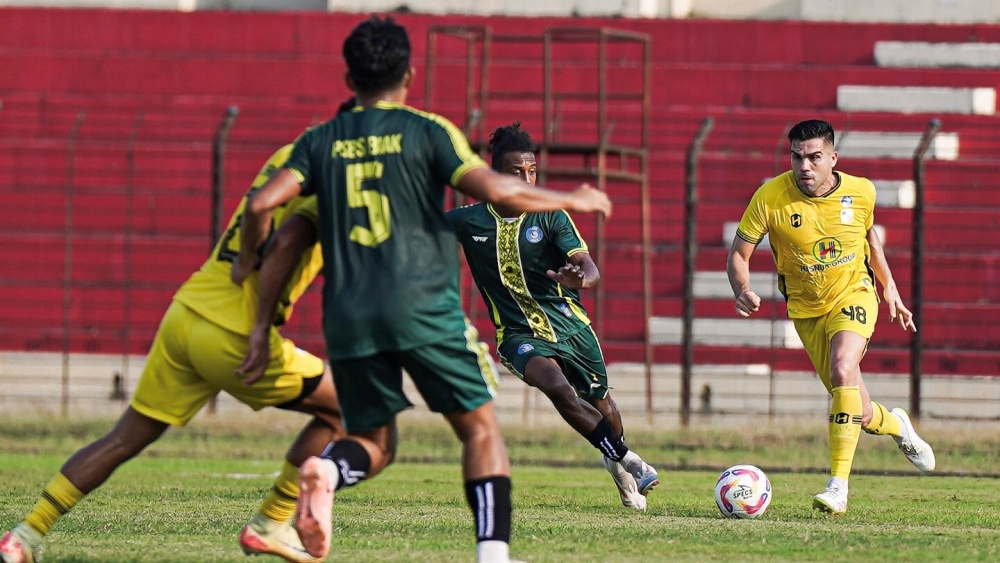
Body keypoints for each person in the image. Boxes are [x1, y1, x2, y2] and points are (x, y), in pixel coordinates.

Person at [231, 16, 612, 563]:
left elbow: (264, 205)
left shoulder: (318, 141)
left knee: (373, 439)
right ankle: (493, 556)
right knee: (479, 430)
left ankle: (329, 473)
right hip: (421, 305)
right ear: (409, 75)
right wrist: (570, 198)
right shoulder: (428, 131)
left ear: (349, 79)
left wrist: (248, 267)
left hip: (349, 312)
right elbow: (495, 187)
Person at [0, 145, 344, 563]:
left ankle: (25, 535)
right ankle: (271, 522)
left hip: (188, 310)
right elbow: (287, 237)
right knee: (346, 405)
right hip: (236, 331)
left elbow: (261, 209)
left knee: (124, 437)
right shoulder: (338, 169)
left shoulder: (293, 153)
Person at [725, 119, 936, 515]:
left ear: (833, 158)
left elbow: (869, 237)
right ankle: (898, 426)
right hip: (806, 311)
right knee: (861, 410)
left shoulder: (862, 190)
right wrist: (742, 289)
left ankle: (838, 486)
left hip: (854, 294)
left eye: (814, 157)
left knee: (843, 368)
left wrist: (888, 286)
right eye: (796, 157)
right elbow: (739, 253)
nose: (804, 166)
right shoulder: (770, 197)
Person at [446, 122, 658, 512]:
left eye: (532, 171)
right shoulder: (468, 220)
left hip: (572, 327)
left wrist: (581, 278)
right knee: (558, 387)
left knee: (602, 405)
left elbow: (589, 267)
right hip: (517, 334)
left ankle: (615, 462)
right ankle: (629, 459)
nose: (527, 180)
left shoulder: (551, 216)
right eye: (517, 173)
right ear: (495, 176)